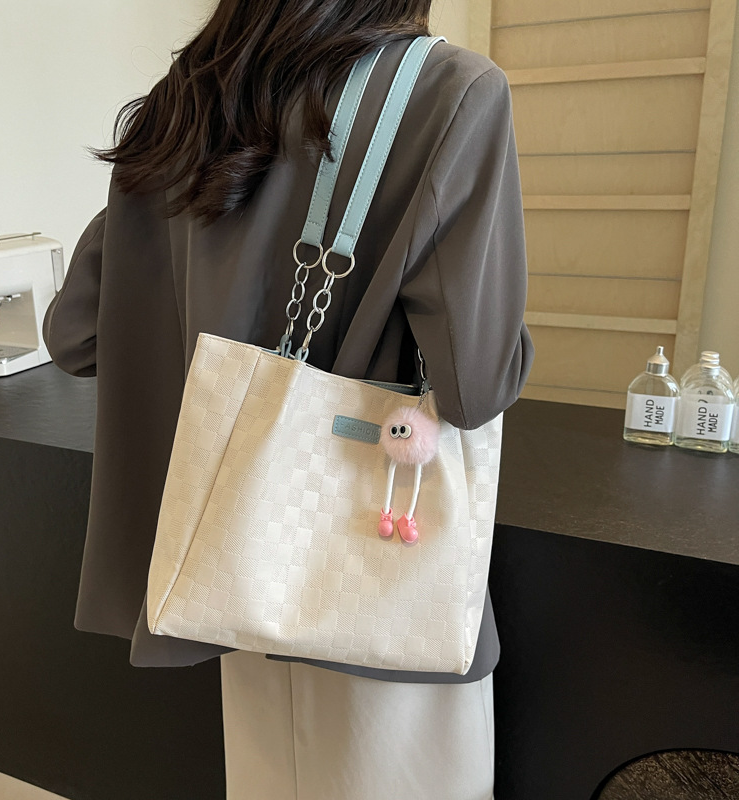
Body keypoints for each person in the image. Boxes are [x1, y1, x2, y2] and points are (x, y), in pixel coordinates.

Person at [44, 1, 533, 797]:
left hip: (237, 574)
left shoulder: (188, 98)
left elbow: (76, 337)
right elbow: (475, 385)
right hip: (379, 583)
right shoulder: (450, 89)